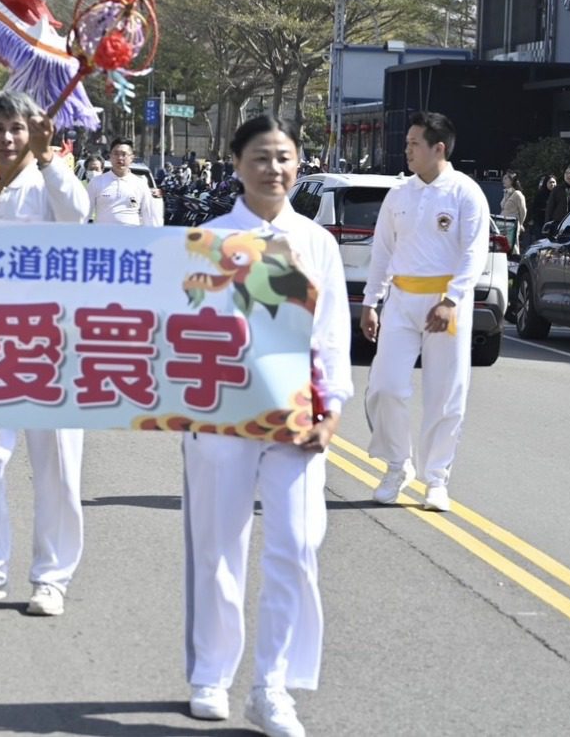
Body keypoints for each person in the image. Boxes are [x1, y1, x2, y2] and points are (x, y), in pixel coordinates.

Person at [182, 115, 351, 737]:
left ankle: (271, 686)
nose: (272, 168)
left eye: (283, 157)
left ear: (298, 164)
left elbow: (331, 333)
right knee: (218, 544)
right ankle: (212, 673)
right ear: (236, 164)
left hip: (297, 418)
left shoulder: (317, 241)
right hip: (221, 416)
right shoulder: (208, 239)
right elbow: (180, 326)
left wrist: (332, 410)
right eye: (259, 156)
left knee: (298, 545)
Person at [0, 89, 89, 618]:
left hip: (53, 347)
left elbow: (76, 215)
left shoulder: (51, 185)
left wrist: (50, 158)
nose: (7, 138)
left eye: (16, 128)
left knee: (57, 468)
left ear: (33, 134)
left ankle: (51, 578)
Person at [360, 112, 489, 513]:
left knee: (445, 394)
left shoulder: (465, 193)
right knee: (385, 386)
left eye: (415, 143)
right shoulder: (399, 195)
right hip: (401, 301)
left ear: (439, 148)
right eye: (407, 143)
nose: (407, 150)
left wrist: (451, 300)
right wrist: (371, 301)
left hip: (446, 304)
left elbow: (474, 253)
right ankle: (397, 464)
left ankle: (436, 479)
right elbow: (382, 251)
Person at [87, 137, 163, 227]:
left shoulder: (140, 183)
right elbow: (85, 213)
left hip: (132, 235)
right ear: (110, 156)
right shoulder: (96, 182)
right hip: (103, 234)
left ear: (132, 157)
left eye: (124, 154)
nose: (120, 158)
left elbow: (149, 216)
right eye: (116, 154)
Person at [500, 171, 527, 251]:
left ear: (511, 180)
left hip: (512, 224)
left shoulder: (517, 194)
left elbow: (523, 211)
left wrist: (520, 223)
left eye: (506, 178)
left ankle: (515, 258)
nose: (503, 180)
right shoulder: (506, 193)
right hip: (503, 223)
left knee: (513, 246)